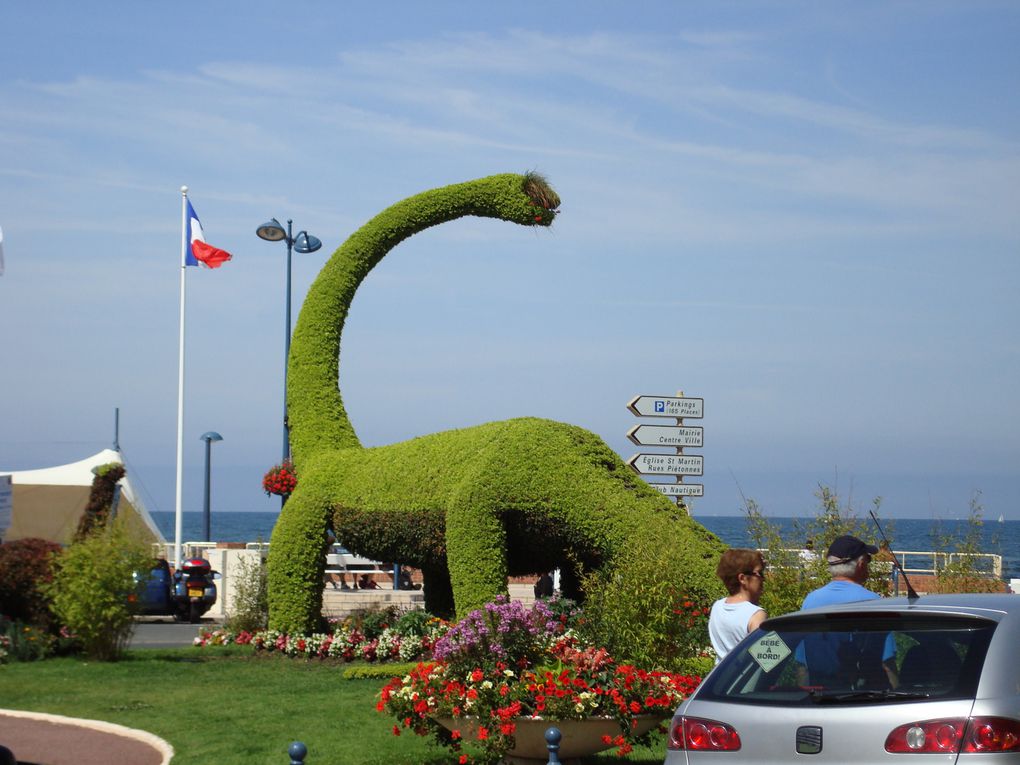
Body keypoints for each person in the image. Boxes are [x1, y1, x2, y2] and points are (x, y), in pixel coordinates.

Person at [797, 535, 898, 688]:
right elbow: (886, 662)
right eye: (868, 560)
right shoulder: (873, 602)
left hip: (819, 698)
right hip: (862, 699)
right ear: (861, 564)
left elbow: (802, 665)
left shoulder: (810, 601)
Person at [708, 548, 767, 663]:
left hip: (723, 678)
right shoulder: (756, 614)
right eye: (759, 573)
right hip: (747, 679)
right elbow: (768, 659)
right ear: (742, 579)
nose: (763, 578)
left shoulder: (717, 607)